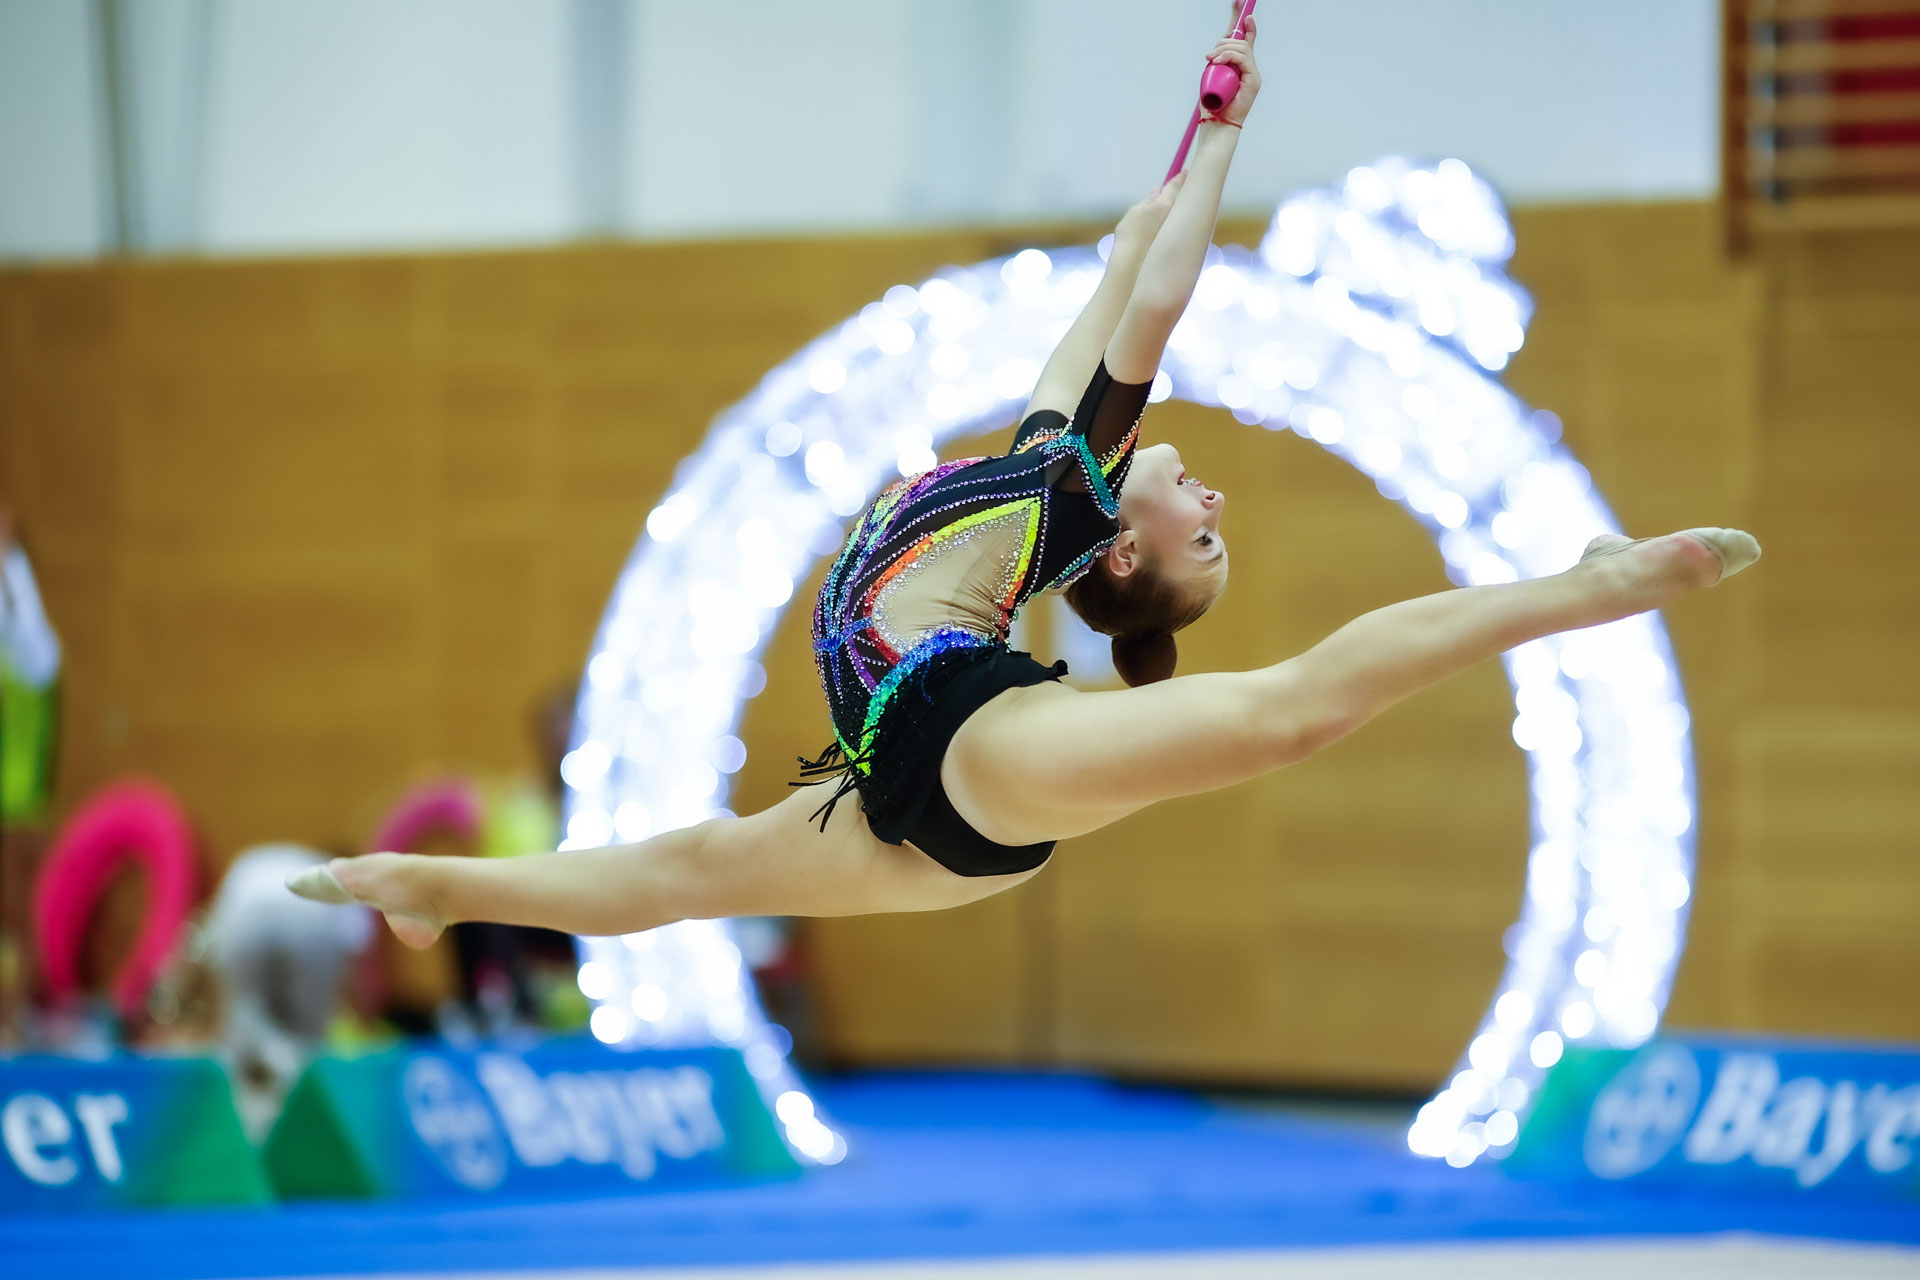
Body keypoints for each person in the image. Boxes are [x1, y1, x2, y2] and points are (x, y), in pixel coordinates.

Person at [290, 18, 1760, 948]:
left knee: (1287, 714)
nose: (1219, 507)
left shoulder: (1062, 492)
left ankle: (1594, 586)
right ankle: (437, 893)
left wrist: (1224, 148)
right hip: (926, 795)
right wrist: (1154, 205)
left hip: (957, 742)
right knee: (677, 869)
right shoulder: (1040, 475)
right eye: (1220, 527)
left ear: (1122, 548)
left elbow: (1152, 308)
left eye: (1203, 539)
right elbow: (1122, 294)